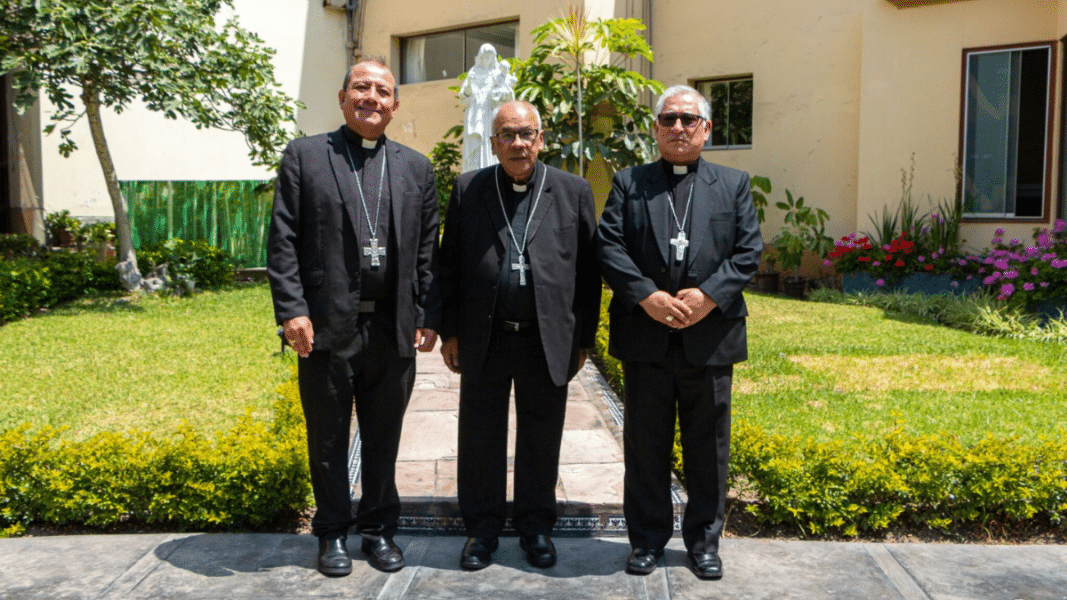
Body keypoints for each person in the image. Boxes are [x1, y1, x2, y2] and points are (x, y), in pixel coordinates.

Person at [267, 56, 440, 577]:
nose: (372, 97)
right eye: (361, 87)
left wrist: (428, 311)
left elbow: (428, 247)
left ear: (395, 104)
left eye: (382, 90)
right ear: (343, 98)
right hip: (325, 327)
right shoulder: (306, 157)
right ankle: (331, 533)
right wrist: (292, 310)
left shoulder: (415, 166)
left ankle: (379, 530)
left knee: (385, 437)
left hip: (392, 328)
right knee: (328, 437)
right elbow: (283, 240)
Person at [596, 85, 762, 580]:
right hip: (647, 339)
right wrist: (647, 296)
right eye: (668, 119)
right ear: (655, 128)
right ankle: (646, 541)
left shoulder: (732, 184)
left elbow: (748, 251)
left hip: (709, 339)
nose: (678, 128)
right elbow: (609, 246)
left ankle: (704, 543)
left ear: (706, 128)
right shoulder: (629, 183)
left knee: (708, 448)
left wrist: (708, 295)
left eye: (689, 120)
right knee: (645, 446)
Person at [438, 100, 601, 570]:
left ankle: (535, 529)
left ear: (542, 139)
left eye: (527, 133)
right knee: (480, 437)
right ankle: (481, 532)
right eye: (507, 134)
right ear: (492, 143)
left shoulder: (573, 191)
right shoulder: (469, 188)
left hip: (545, 339)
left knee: (541, 437)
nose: (518, 143)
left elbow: (590, 274)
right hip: (485, 337)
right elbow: (448, 266)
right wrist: (450, 331)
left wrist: (583, 338)